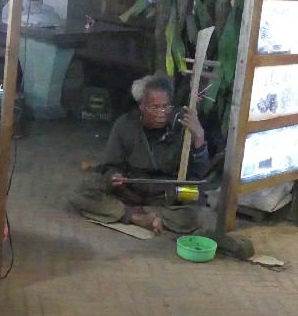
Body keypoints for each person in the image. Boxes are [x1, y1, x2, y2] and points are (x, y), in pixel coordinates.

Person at [69, 74, 209, 234]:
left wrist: (199, 137)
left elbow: (198, 175)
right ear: (142, 106)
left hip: (165, 197)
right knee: (80, 191)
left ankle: (142, 215)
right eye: (155, 107)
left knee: (200, 214)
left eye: (166, 107)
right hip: (130, 192)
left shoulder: (183, 127)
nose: (161, 113)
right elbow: (111, 165)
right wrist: (114, 175)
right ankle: (138, 218)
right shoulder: (125, 125)